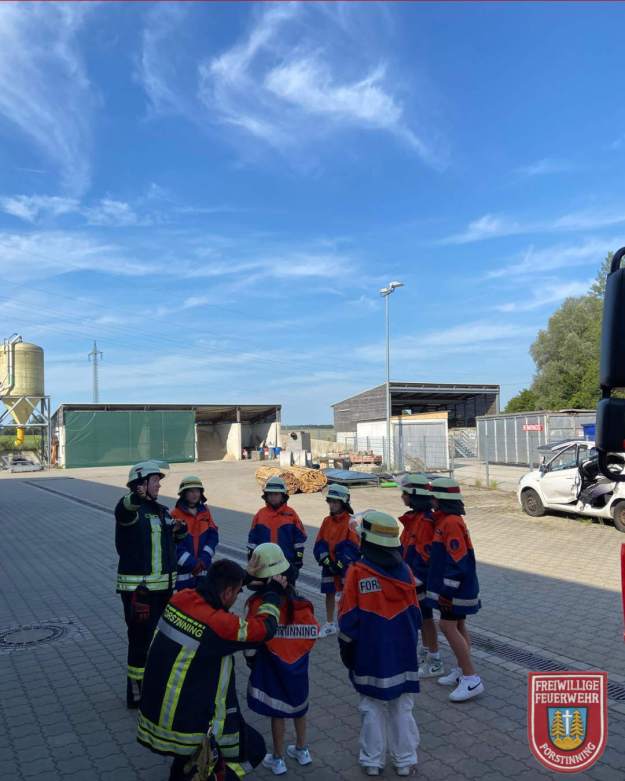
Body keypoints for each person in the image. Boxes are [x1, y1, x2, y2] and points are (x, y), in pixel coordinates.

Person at [138, 558, 285, 781]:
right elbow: (265, 629)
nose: (236, 598)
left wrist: (244, 576)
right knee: (254, 748)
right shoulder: (218, 624)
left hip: (156, 708)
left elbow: (216, 589)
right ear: (227, 592)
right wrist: (273, 594)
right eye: (236, 592)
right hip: (183, 721)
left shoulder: (181, 598)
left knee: (186, 760)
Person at [338, 511, 421, 777]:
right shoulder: (406, 572)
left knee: (371, 707)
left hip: (369, 654)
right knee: (402, 707)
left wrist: (347, 652)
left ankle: (372, 761)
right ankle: (405, 761)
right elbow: (416, 616)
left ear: (365, 541)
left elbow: (347, 620)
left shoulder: (357, 573)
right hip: (403, 653)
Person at [115, 460, 187, 709]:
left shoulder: (161, 511)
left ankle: (156, 688)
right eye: (155, 480)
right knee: (140, 642)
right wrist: (136, 496)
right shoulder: (131, 509)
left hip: (164, 591)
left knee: (161, 641)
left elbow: (172, 541)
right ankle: (136, 694)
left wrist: (180, 530)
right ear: (141, 484)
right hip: (140, 593)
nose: (159, 485)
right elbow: (125, 508)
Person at [245, 543, 319, 776]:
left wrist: (252, 661)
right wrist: (296, 654)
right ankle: (302, 749)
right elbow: (312, 632)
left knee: (277, 711)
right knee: (299, 706)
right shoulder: (301, 603)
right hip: (298, 667)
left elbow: (251, 640)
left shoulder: (258, 604)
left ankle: (277, 759)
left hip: (271, 666)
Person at [426, 477, 484, 702]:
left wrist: (446, 592)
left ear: (441, 499)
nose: (430, 500)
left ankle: (471, 678)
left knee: (446, 625)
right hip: (459, 587)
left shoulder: (450, 523)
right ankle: (462, 670)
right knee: (458, 625)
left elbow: (457, 561)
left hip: (456, 590)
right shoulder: (447, 520)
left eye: (433, 497)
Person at [398, 473, 443, 679]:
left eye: (405, 493)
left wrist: (416, 578)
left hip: (420, 581)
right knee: (421, 619)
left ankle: (435, 660)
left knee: (426, 619)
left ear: (414, 495)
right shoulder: (414, 518)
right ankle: (425, 654)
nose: (402, 497)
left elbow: (424, 554)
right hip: (411, 578)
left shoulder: (424, 521)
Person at [313, 483, 360, 637]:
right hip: (329, 566)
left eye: (335, 502)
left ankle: (347, 623)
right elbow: (319, 543)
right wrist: (327, 561)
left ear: (343, 503)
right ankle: (329, 624)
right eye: (330, 502)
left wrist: (339, 564)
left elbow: (353, 547)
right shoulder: (326, 521)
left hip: (345, 568)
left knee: (347, 595)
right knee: (329, 593)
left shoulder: (351, 522)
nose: (331, 505)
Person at [248, 477, 307, 582]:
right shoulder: (260, 515)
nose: (273, 497)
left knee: (287, 590)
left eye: (276, 494)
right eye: (270, 494)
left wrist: (299, 557)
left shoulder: (291, 514)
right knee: (265, 591)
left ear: (283, 495)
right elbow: (252, 540)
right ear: (266, 496)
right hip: (264, 564)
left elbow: (299, 539)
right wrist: (251, 556)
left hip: (286, 563)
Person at [172, 475, 219, 591]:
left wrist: (205, 557)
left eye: (197, 491)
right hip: (184, 573)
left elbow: (213, 536)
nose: (195, 494)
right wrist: (192, 563)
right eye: (191, 491)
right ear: (184, 493)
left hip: (203, 571)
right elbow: (173, 544)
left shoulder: (205, 512)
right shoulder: (175, 514)